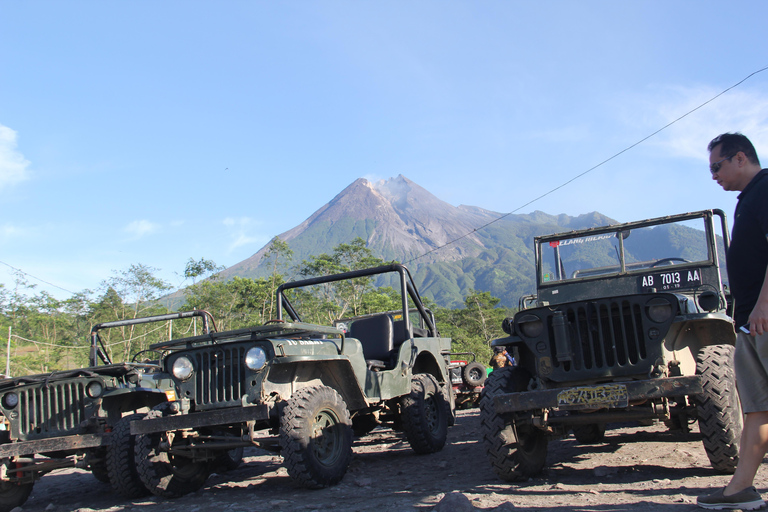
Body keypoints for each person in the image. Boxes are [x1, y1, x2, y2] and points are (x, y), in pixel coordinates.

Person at [698, 133, 768, 510]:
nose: (713, 176)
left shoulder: (766, 189)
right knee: (757, 407)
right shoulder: (747, 200)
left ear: (739, 158)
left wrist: (763, 305)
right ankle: (740, 489)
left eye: (716, 166)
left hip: (763, 317)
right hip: (749, 323)